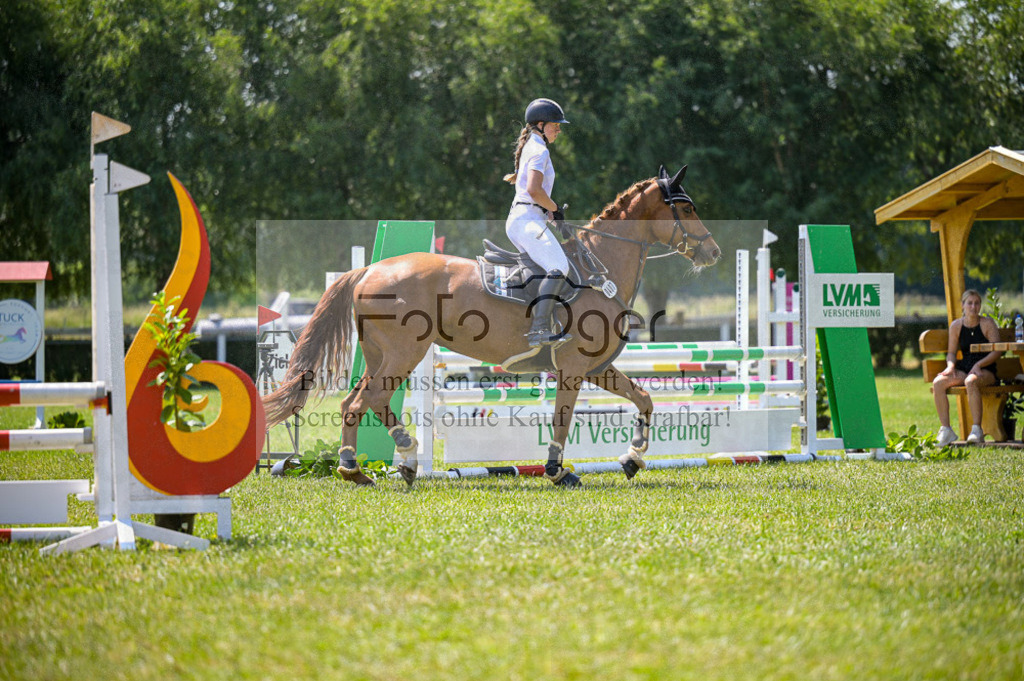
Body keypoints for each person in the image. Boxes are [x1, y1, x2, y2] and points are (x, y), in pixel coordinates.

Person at [503, 98, 572, 347]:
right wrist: (554, 208)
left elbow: (533, 194)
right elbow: (534, 190)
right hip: (526, 219)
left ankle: (540, 320)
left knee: (544, 269)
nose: (559, 129)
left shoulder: (534, 146)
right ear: (541, 124)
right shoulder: (540, 150)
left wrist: (551, 214)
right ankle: (539, 329)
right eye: (555, 125)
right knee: (558, 267)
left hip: (527, 217)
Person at [934, 289, 1002, 445]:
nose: (973, 306)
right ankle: (946, 430)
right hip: (965, 367)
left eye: (977, 303)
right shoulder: (956, 325)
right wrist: (950, 367)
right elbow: (951, 353)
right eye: (969, 303)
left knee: (971, 381)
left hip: (986, 368)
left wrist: (979, 364)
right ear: (963, 305)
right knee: (938, 382)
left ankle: (977, 431)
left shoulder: (987, 324)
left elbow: (998, 351)